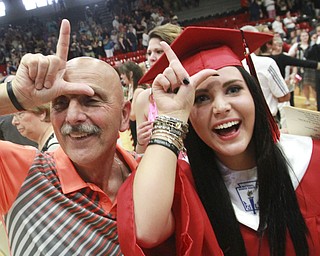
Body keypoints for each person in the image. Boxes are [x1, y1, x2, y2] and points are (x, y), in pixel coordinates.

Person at [120, 26, 320, 255]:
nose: (221, 107)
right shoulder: (184, 186)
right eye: (201, 98)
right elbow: (146, 231)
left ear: (254, 95)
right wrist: (172, 116)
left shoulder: (310, 159)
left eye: (233, 89)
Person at [0, 19, 142, 255]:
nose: (73, 116)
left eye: (91, 100)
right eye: (61, 103)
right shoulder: (21, 174)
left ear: (124, 116)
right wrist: (16, 95)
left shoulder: (149, 176)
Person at [135, 23, 183, 153]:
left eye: (158, 51)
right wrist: (140, 142)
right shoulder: (143, 98)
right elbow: (140, 154)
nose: (151, 58)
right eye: (149, 53)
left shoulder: (193, 89)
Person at [241, 25, 290, 126]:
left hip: (243, 124)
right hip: (268, 122)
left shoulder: (230, 65)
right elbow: (284, 96)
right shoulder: (266, 63)